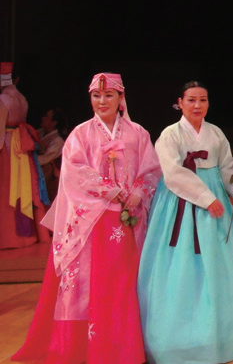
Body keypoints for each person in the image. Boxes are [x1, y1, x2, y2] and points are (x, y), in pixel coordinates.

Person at [14, 73, 161, 364]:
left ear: (121, 98)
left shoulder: (138, 134)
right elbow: (74, 173)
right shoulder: (80, 135)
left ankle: (123, 349)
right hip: (93, 222)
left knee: (123, 285)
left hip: (128, 221)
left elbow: (151, 170)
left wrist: (138, 192)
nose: (102, 101)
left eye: (109, 95)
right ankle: (85, 348)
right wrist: (109, 190)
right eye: (96, 96)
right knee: (91, 285)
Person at [138, 81, 233, 363]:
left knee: (217, 266)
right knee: (178, 265)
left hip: (214, 201)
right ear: (180, 102)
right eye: (191, 100)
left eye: (203, 100)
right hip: (179, 203)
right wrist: (206, 198)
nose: (197, 105)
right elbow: (173, 173)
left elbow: (226, 167)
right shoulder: (170, 134)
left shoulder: (216, 133)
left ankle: (217, 338)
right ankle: (173, 340)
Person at [1, 62, 49, 248]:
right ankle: (26, 235)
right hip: (21, 148)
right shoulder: (22, 98)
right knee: (25, 189)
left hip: (8, 148)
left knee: (8, 189)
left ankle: (9, 236)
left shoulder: (3, 98)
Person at [37, 108, 67, 200]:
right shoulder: (39, 132)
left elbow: (45, 159)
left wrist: (28, 158)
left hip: (48, 176)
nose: (43, 118)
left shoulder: (57, 141)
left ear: (54, 123)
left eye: (47, 117)